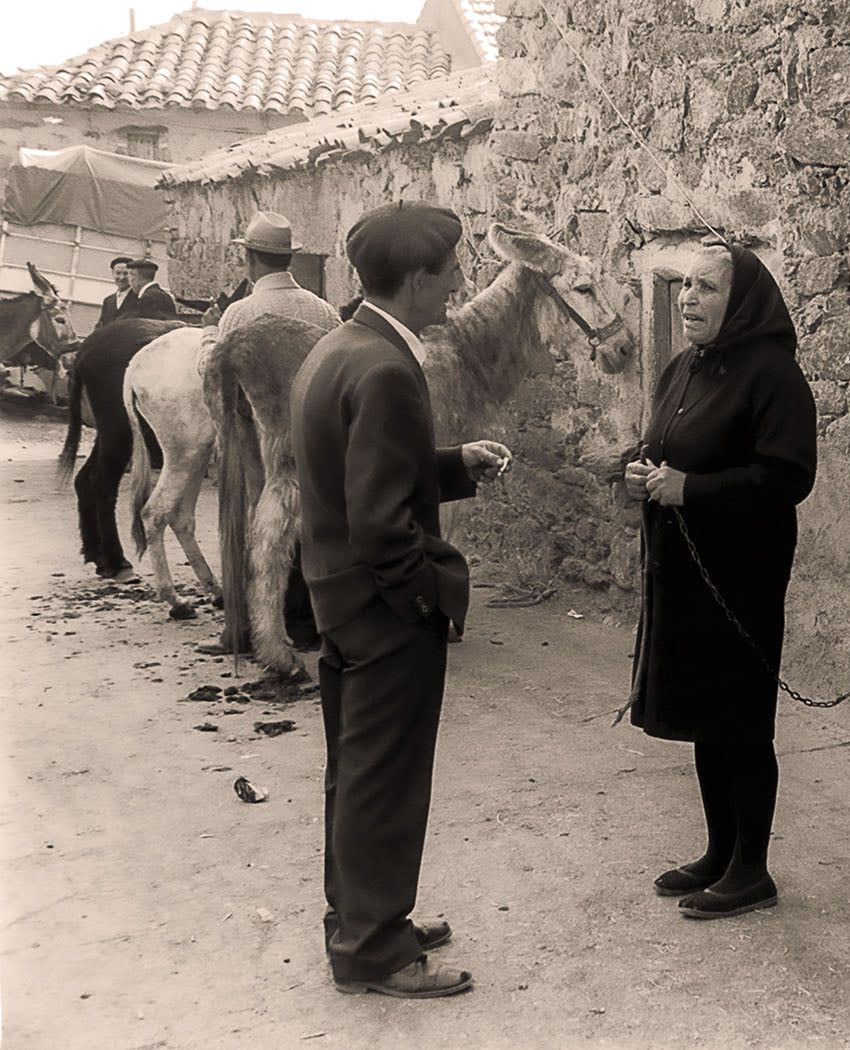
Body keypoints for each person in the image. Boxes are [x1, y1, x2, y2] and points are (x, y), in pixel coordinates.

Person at [290, 201, 511, 998]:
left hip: (335, 599)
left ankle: (358, 918)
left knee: (354, 774)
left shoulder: (341, 347)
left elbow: (355, 467)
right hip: (381, 613)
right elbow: (382, 524)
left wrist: (450, 465)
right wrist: (427, 600)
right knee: (384, 778)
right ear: (418, 280)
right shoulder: (387, 367)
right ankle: (373, 949)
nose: (460, 282)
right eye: (452, 269)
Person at [623, 240, 817, 920]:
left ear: (741, 300)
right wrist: (641, 471)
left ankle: (751, 869)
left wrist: (692, 489)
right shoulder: (684, 366)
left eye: (704, 288)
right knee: (707, 716)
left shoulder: (773, 375)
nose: (686, 299)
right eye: (682, 286)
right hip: (683, 573)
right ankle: (718, 852)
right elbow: (662, 448)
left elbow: (788, 476)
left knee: (740, 719)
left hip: (742, 577)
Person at [195, 211, 340, 658]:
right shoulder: (323, 310)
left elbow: (215, 376)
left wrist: (205, 339)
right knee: (307, 524)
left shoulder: (240, 313)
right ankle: (307, 621)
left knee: (251, 518)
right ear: (287, 259)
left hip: (257, 443)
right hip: (311, 446)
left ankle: (246, 627)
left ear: (249, 259)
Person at [94, 257, 136, 329]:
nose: (121, 277)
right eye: (118, 273)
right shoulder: (108, 301)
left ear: (132, 275)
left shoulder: (139, 298)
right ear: (113, 274)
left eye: (126, 273)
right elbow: (100, 326)